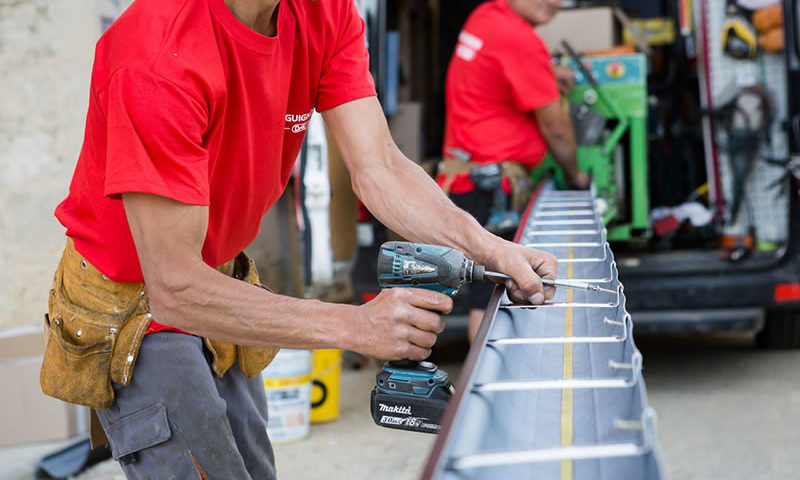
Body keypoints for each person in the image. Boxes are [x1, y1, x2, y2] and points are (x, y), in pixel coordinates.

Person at [40, 0, 558, 478]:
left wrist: (490, 247)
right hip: (135, 302)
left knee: (254, 466)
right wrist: (358, 326)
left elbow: (379, 166)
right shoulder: (157, 55)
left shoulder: (324, 11)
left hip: (218, 276)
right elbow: (174, 285)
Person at [438, 0, 589, 341]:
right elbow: (558, 129)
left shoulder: (485, 16)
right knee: (489, 295)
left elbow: (497, 70)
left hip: (465, 174)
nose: (555, 3)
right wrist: (577, 177)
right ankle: (485, 386)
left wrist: (546, 73)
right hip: (491, 185)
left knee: (483, 285)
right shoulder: (519, 38)